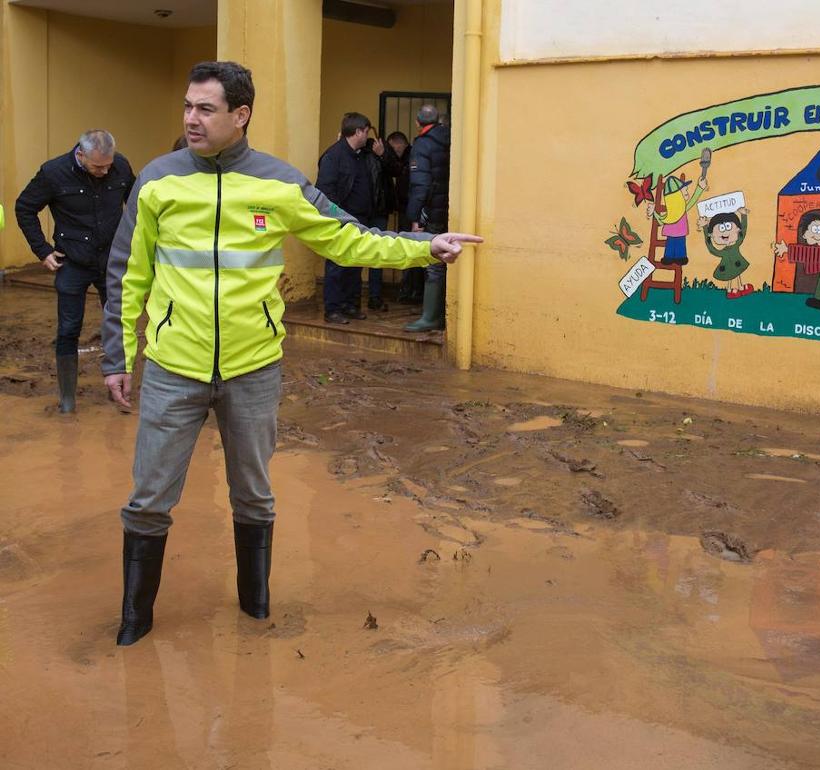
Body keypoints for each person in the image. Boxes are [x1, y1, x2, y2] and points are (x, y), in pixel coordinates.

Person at [100, 61, 482, 646]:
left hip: (253, 369)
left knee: (253, 495)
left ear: (241, 115)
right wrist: (118, 357)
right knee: (149, 499)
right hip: (174, 368)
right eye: (187, 106)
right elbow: (128, 272)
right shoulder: (157, 180)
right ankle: (134, 620)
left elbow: (346, 236)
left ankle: (255, 609)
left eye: (205, 109)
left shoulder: (280, 183)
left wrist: (423, 246)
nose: (191, 119)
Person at [14, 129, 134, 412]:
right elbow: (25, 207)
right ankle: (67, 398)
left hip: (111, 260)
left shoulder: (121, 166)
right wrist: (42, 250)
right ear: (80, 155)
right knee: (69, 328)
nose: (105, 172)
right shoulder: (54, 172)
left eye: (108, 165)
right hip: (72, 262)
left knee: (118, 323)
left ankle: (118, 389)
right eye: (98, 166)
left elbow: (138, 205)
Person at [316, 112, 389, 322]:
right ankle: (333, 309)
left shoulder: (362, 154)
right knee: (337, 265)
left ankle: (350, 305)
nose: (367, 136)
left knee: (355, 264)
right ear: (357, 132)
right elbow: (325, 191)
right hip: (341, 220)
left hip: (361, 219)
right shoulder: (334, 156)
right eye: (366, 132)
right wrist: (338, 217)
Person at [404, 105, 452, 332]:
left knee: (433, 262)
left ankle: (430, 317)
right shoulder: (449, 138)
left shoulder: (423, 145)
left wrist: (415, 216)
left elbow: (420, 184)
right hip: (447, 208)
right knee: (445, 258)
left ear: (417, 122)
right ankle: (440, 314)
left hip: (432, 211)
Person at [384, 130, 421, 304]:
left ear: (399, 144)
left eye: (392, 148)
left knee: (409, 250)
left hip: (410, 212)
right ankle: (411, 289)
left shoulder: (409, 159)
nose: (392, 152)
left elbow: (410, 188)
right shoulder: (410, 158)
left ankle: (410, 290)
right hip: (409, 210)